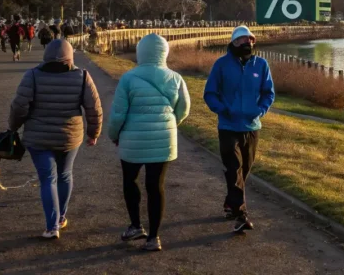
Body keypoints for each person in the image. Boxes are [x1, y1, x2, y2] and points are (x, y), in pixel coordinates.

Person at [8, 39, 103, 240]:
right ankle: (61, 217)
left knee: (47, 179)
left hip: (38, 137)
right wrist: (93, 133)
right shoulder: (82, 76)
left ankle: (52, 227)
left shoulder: (32, 76)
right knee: (65, 174)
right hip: (69, 136)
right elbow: (93, 108)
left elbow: (19, 106)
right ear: (70, 55)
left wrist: (13, 128)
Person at [108, 34, 190, 252]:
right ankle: (154, 237)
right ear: (165, 52)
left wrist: (114, 134)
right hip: (163, 139)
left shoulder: (128, 78)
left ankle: (135, 225)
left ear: (140, 52)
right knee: (156, 187)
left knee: (130, 181)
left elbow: (118, 113)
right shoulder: (175, 78)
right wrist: (171, 124)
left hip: (132, 139)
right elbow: (184, 109)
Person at [203, 26, 274, 234]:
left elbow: (268, 93)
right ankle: (241, 214)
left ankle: (229, 203)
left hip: (252, 126)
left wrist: (260, 110)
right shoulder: (221, 65)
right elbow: (210, 93)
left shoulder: (260, 65)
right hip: (228, 126)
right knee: (233, 167)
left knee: (245, 169)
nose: (248, 44)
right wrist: (222, 110)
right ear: (233, 43)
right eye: (243, 41)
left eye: (251, 41)